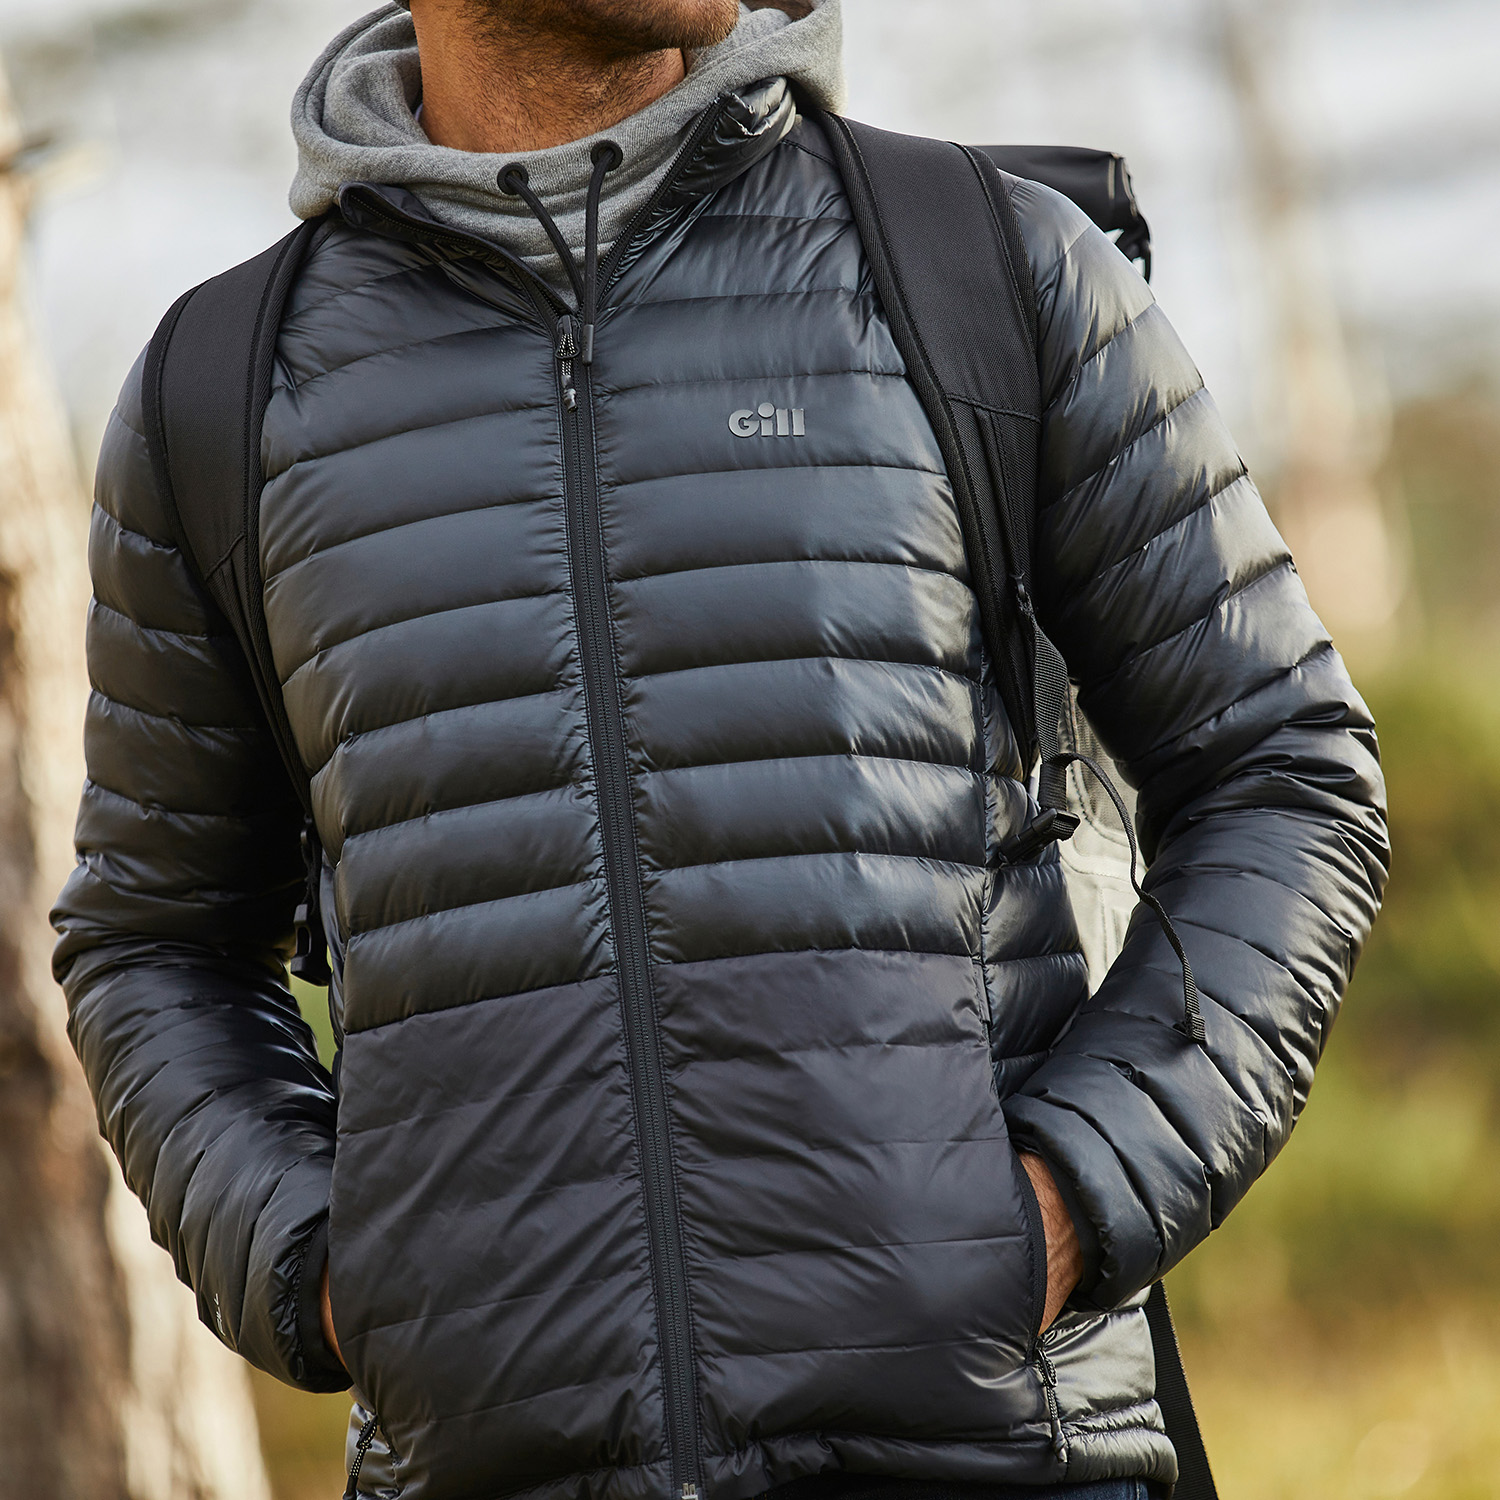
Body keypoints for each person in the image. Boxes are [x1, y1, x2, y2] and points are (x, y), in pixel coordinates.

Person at [52, 2, 1389, 1498]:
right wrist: (327, 1272)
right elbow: (153, 940)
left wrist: (1065, 1204)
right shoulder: (220, 394)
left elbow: (1284, 771)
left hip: (998, 1456)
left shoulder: (982, 267)